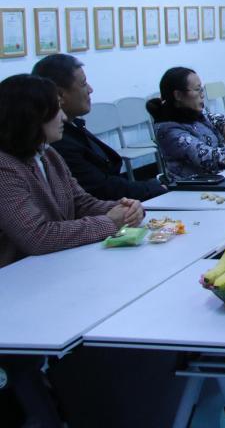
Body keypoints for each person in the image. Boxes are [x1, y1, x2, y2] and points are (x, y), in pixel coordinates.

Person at [0, 74, 146, 427]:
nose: (64, 117)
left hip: (55, 275)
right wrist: (110, 223)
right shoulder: (5, 169)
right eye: (56, 110)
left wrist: (122, 208)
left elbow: (81, 202)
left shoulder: (48, 155)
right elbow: (37, 236)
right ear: (32, 117)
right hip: (17, 294)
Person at [32, 53, 166, 200]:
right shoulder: (58, 142)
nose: (90, 90)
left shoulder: (73, 126)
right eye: (83, 84)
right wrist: (154, 187)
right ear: (60, 95)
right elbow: (100, 189)